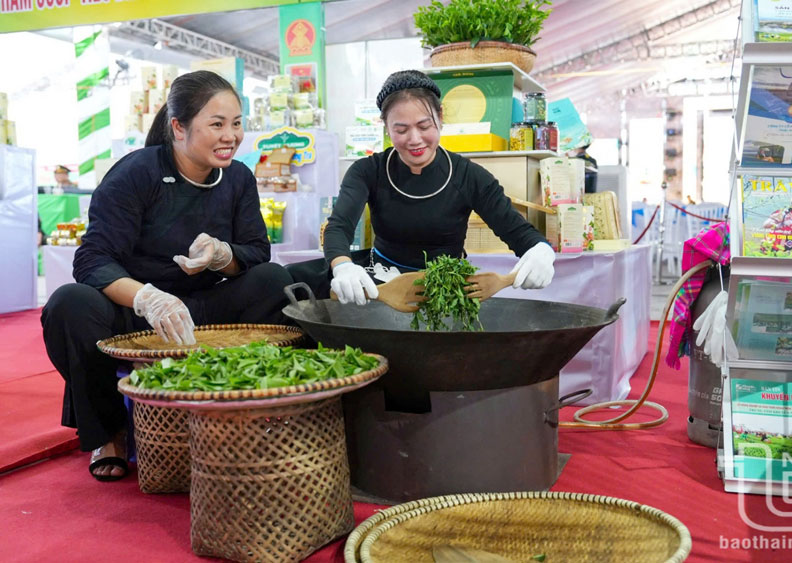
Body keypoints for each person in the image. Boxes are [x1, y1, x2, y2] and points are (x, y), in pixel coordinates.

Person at [40, 70, 293, 481]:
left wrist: (221, 257)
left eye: (236, 123)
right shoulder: (136, 173)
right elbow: (92, 260)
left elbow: (256, 252)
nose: (230, 135)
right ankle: (111, 433)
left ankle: (254, 408)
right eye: (216, 124)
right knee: (70, 304)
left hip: (205, 309)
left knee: (275, 280)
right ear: (178, 127)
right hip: (136, 313)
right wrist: (148, 298)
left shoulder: (239, 178)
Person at [286, 70, 554, 304]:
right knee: (283, 279)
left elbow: (519, 233)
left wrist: (540, 251)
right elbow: (339, 227)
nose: (415, 140)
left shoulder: (469, 176)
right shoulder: (367, 171)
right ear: (386, 127)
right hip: (380, 279)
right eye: (401, 130)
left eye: (424, 126)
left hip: (444, 287)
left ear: (440, 117)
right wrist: (343, 266)